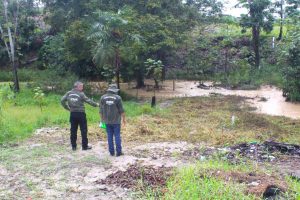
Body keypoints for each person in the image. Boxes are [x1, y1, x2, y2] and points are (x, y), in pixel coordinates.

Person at [61, 81, 99, 151]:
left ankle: (74, 147)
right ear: (77, 87)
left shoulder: (68, 93)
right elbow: (88, 101)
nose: (82, 87)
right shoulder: (81, 94)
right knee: (84, 130)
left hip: (73, 114)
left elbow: (62, 101)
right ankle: (84, 146)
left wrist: (67, 108)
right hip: (81, 114)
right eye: (81, 86)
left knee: (73, 130)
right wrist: (96, 105)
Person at [100, 83, 126, 156]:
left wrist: (102, 120)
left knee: (109, 136)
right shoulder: (118, 98)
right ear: (114, 90)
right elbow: (121, 110)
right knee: (117, 136)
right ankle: (119, 152)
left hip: (106, 121)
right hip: (116, 121)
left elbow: (101, 110)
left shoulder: (102, 97)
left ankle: (111, 152)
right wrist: (124, 119)